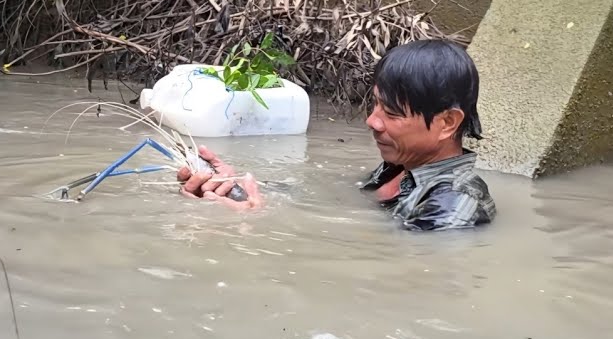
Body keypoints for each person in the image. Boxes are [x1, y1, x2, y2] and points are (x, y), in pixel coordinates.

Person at [177, 38, 496, 231]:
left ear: (447, 123)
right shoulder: (397, 169)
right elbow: (331, 199)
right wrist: (239, 184)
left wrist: (254, 220)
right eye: (375, 105)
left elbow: (405, 264)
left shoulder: (455, 205)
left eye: (392, 113)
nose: (373, 122)